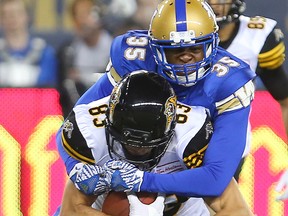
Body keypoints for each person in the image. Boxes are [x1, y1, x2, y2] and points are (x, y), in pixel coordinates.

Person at [56, 0, 255, 214]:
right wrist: (77, 168)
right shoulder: (134, 58)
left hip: (186, 163)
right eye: (175, 49)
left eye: (195, 47)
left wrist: (143, 181)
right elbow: (77, 123)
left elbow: (215, 177)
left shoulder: (226, 86)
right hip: (120, 158)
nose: (186, 57)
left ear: (213, 44)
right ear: (155, 47)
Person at [56, 71, 253, 215]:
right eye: (127, 141)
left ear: (171, 129)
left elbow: (236, 210)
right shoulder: (89, 132)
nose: (136, 149)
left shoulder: (190, 136)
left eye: (146, 144)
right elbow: (71, 211)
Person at [206, 0, 288, 181]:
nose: (213, 3)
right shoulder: (174, 34)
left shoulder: (256, 37)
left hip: (229, 149)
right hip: (176, 146)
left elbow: (285, 99)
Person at [57, 0, 113, 117]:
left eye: (86, 14)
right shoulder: (66, 52)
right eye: (77, 16)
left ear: (99, 16)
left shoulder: (118, 48)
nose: (81, 21)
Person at [0, 0, 58, 88]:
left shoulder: (44, 52)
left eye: (18, 12)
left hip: (37, 101)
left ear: (27, 16)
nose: (12, 18)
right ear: (1, 19)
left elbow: (47, 90)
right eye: (7, 14)